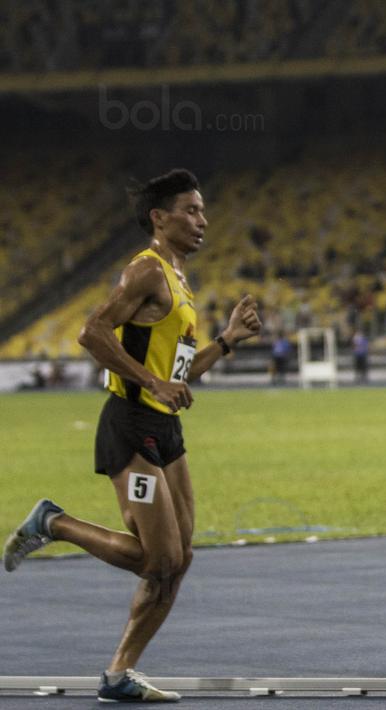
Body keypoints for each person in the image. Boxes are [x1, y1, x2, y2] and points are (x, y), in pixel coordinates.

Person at [2, 169, 262, 702]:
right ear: (159, 218)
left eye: (203, 210)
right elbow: (91, 332)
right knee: (157, 560)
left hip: (166, 429)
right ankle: (53, 522)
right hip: (129, 424)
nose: (202, 220)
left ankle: (119, 674)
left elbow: (178, 376)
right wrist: (151, 382)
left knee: (179, 560)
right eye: (191, 210)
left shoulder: (181, 283)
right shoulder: (146, 270)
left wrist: (226, 341)